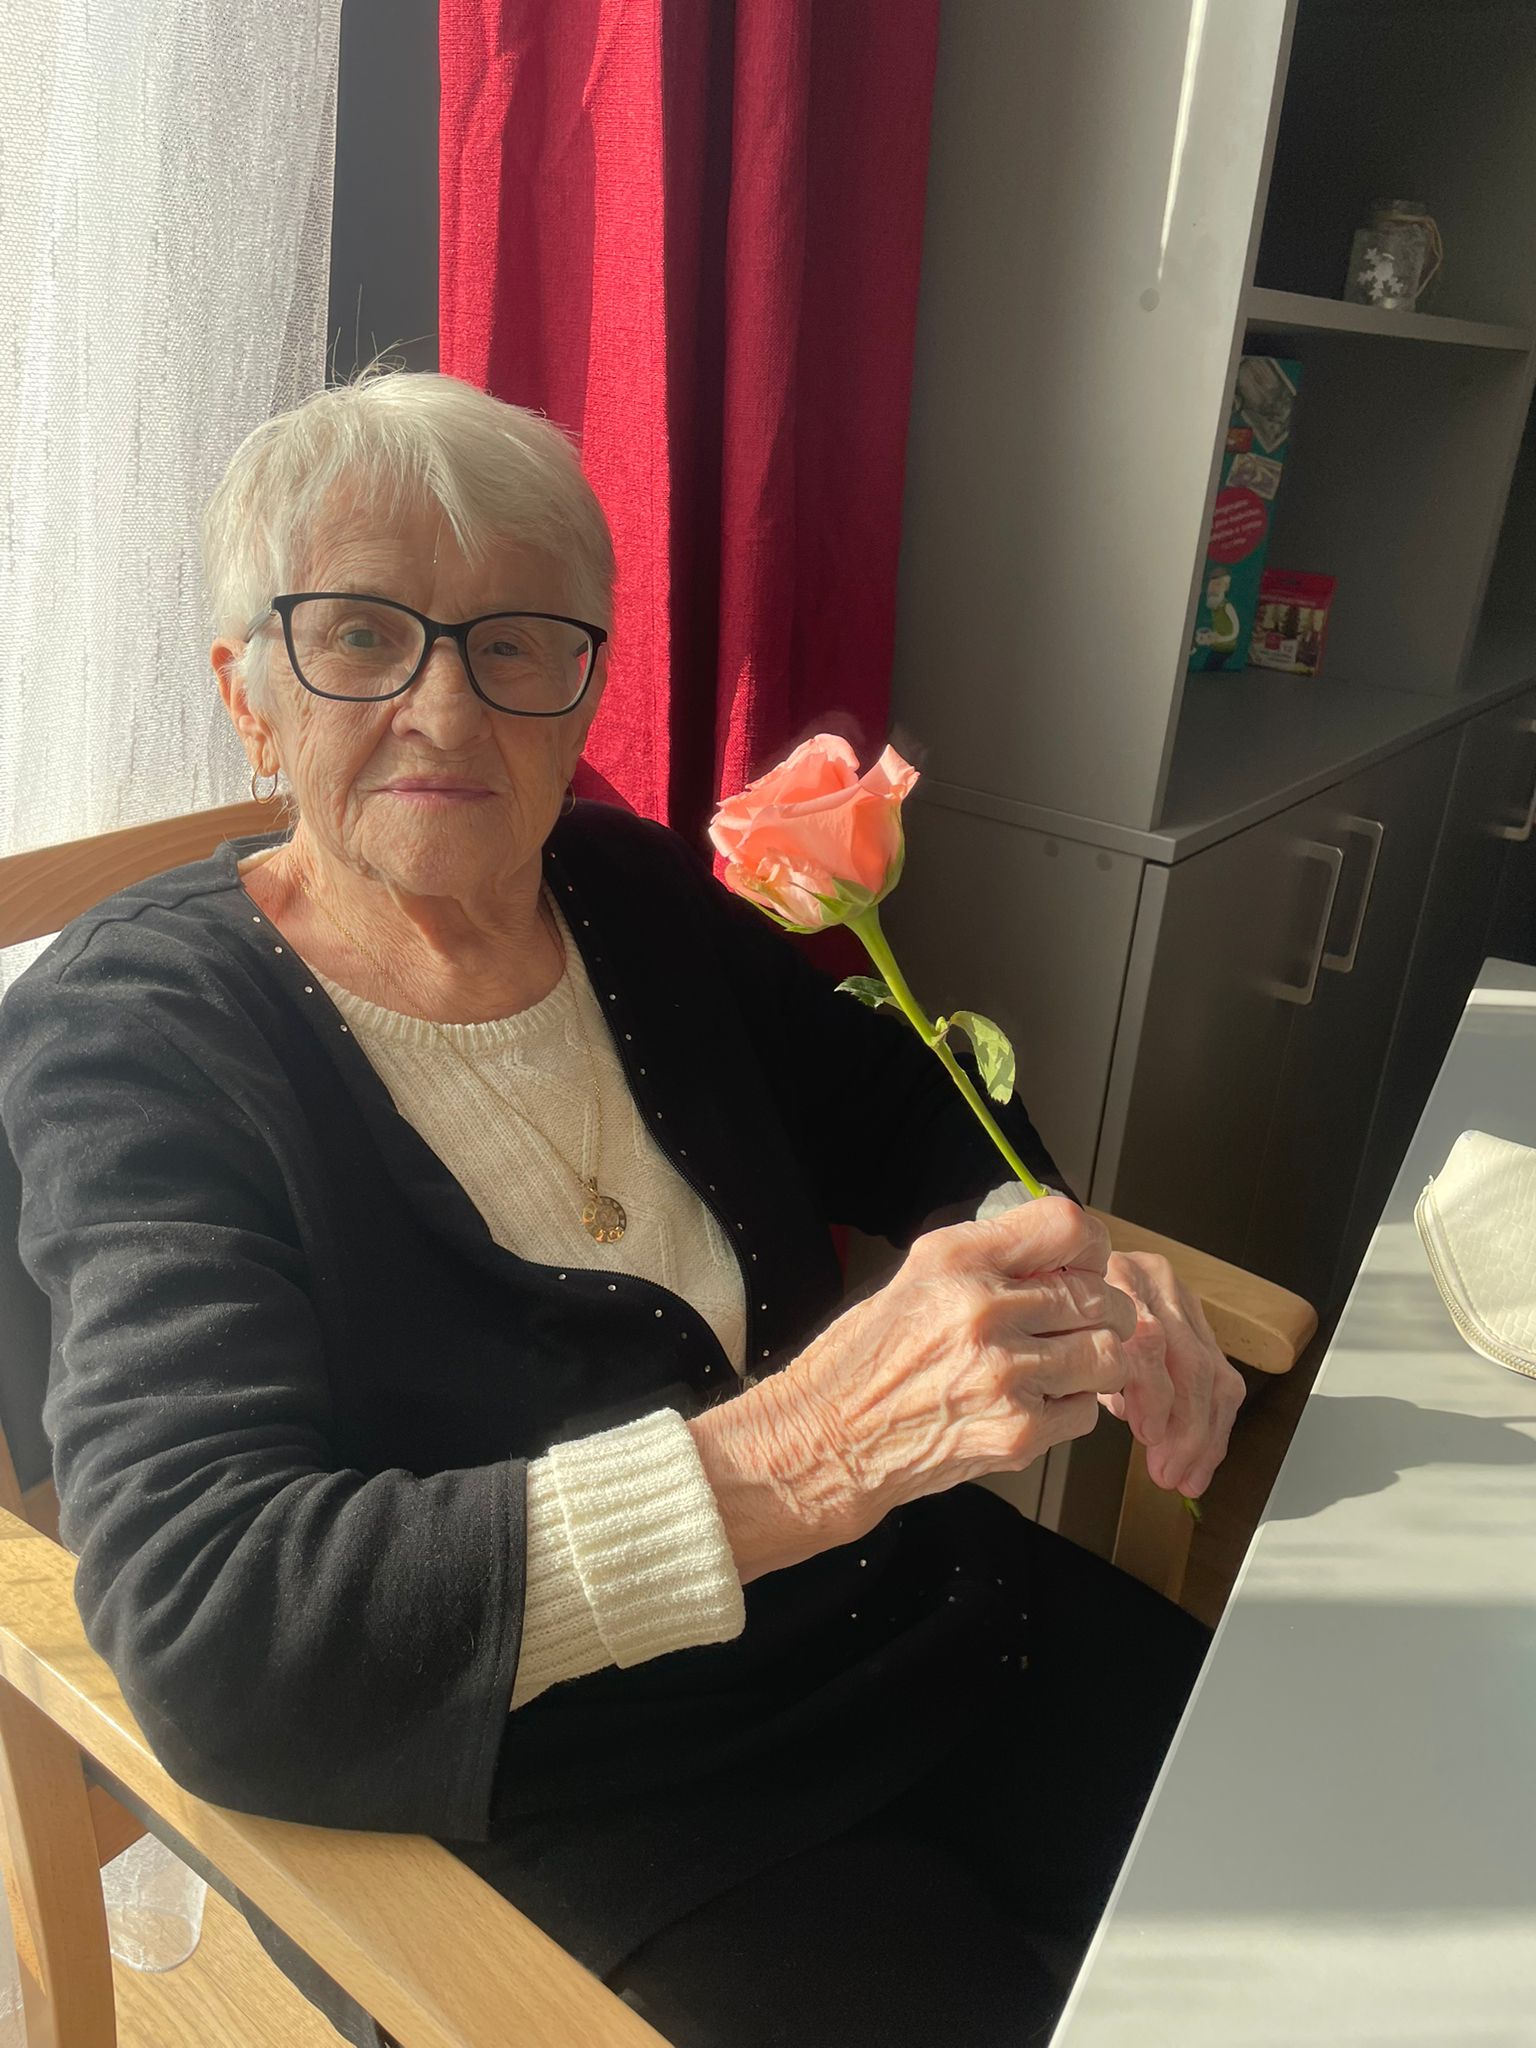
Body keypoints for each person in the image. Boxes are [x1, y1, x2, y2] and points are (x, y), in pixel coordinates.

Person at [0, 370, 1243, 2048]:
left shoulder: (623, 890)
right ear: (251, 698)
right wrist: (808, 1451)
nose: (448, 712)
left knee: (1362, 1870)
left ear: (583, 688)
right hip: (581, 1792)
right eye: (360, 635)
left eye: (516, 643)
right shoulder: (139, 1042)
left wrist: (1057, 1249)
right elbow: (219, 1627)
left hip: (923, 1617)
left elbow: (913, 1112)